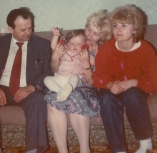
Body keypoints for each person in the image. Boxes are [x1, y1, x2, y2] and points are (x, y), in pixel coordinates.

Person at [0, 7, 53, 153]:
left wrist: (32, 87)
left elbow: (48, 72)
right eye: (23, 29)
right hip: (1, 87)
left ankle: (32, 151)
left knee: (39, 99)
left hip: (27, 89)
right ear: (10, 28)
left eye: (30, 27)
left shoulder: (42, 45)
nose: (28, 32)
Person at [92, 4, 157, 153]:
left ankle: (145, 144)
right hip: (112, 88)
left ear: (135, 29)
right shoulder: (107, 48)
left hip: (135, 88)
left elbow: (154, 81)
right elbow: (98, 75)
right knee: (106, 99)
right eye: (115, 25)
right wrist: (109, 84)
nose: (118, 29)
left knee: (132, 95)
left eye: (124, 25)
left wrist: (133, 82)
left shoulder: (146, 50)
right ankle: (118, 149)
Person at [44, 10, 112, 153]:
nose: (89, 36)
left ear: (103, 36)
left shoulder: (100, 49)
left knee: (76, 97)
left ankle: (84, 149)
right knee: (53, 100)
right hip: (62, 82)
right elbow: (54, 69)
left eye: (95, 34)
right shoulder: (75, 40)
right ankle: (63, 151)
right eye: (88, 30)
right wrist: (55, 57)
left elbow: (96, 80)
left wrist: (86, 64)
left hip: (84, 83)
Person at [44, 28, 91, 102]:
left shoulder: (84, 54)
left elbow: (95, 62)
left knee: (74, 77)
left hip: (75, 79)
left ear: (84, 45)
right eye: (72, 44)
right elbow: (53, 47)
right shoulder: (65, 50)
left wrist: (95, 51)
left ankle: (67, 89)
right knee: (47, 79)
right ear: (67, 44)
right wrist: (55, 36)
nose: (75, 46)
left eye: (79, 44)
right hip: (60, 77)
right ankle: (60, 91)